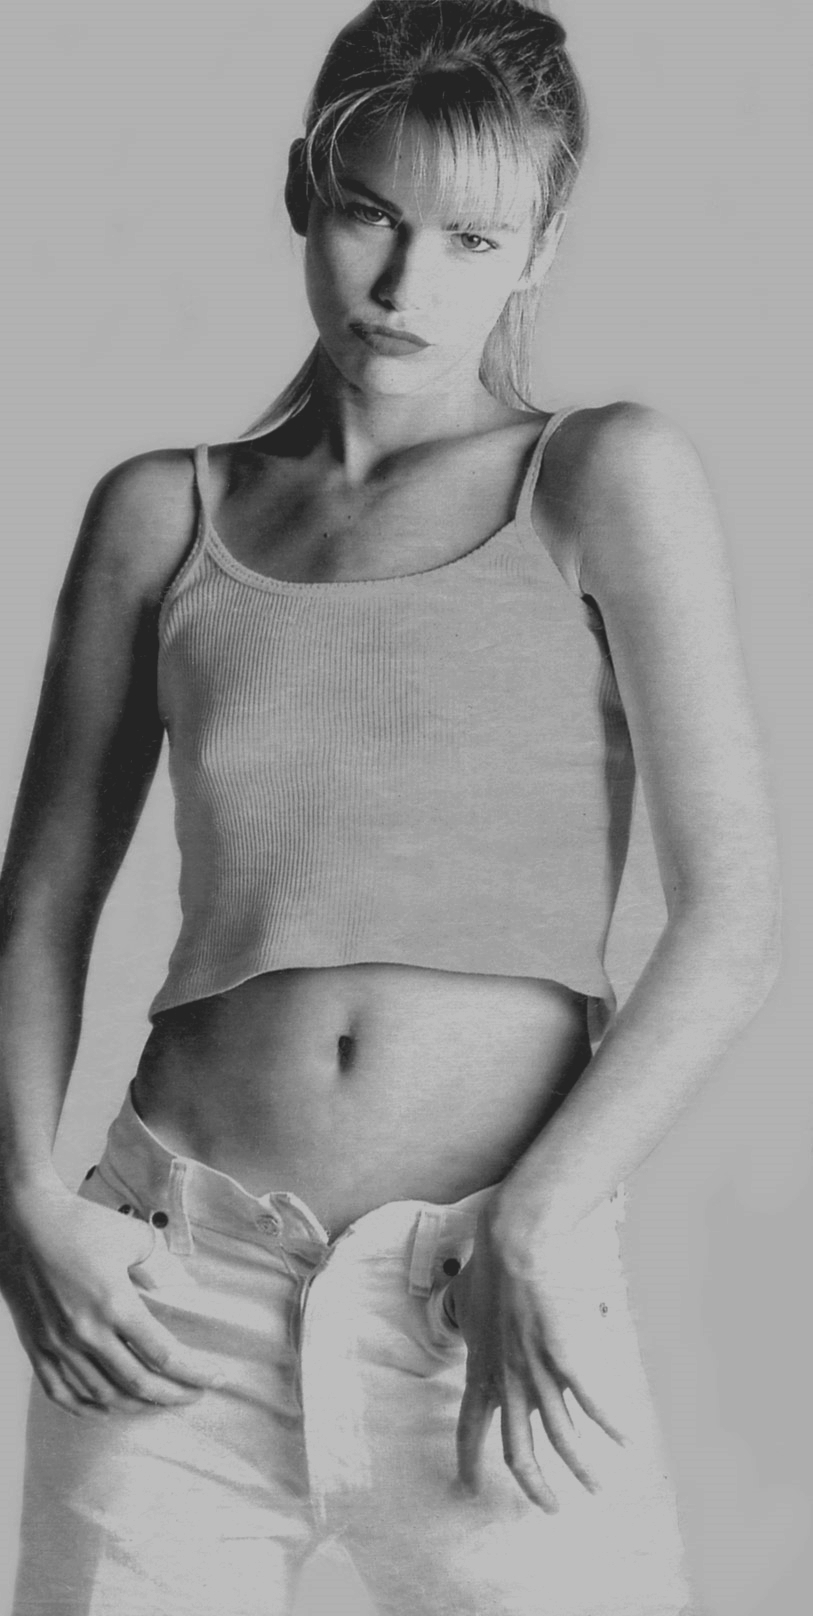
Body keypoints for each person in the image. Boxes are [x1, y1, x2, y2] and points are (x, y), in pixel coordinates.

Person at [0, 2, 780, 1613]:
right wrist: (19, 1201)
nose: (406, 284)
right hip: (176, 1287)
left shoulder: (599, 479)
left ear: (539, 247)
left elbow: (733, 922)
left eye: (471, 237)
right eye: (370, 213)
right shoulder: (160, 513)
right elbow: (41, 902)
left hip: (484, 1287)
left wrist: (543, 1212)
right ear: (303, 187)